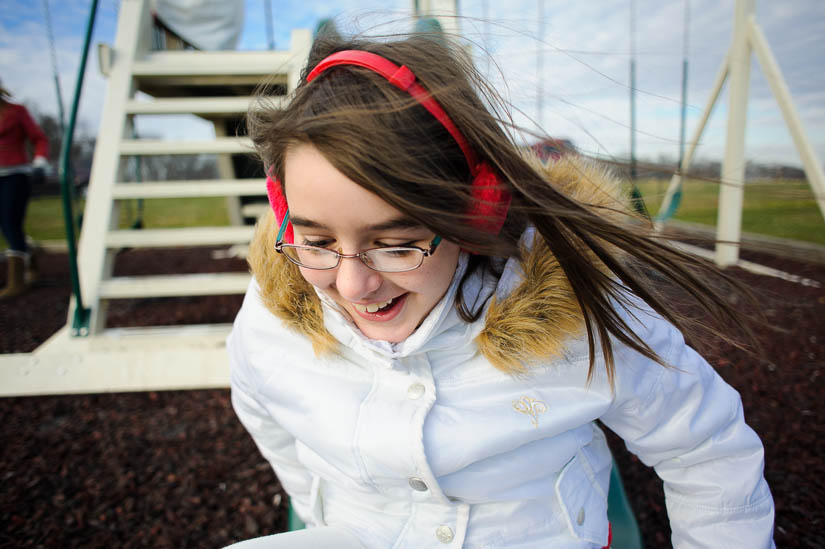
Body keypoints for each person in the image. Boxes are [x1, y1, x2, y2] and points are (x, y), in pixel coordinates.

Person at [227, 33, 775, 548]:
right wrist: (319, 509)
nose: (352, 284)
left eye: (395, 245)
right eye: (317, 241)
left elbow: (707, 450)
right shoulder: (271, 320)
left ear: (479, 212)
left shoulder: (578, 310)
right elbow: (265, 414)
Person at [0, 78, 49, 299]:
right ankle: (29, 252)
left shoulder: (16, 111)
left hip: (15, 173)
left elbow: (39, 138)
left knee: (10, 222)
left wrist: (39, 162)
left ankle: (16, 282)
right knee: (6, 225)